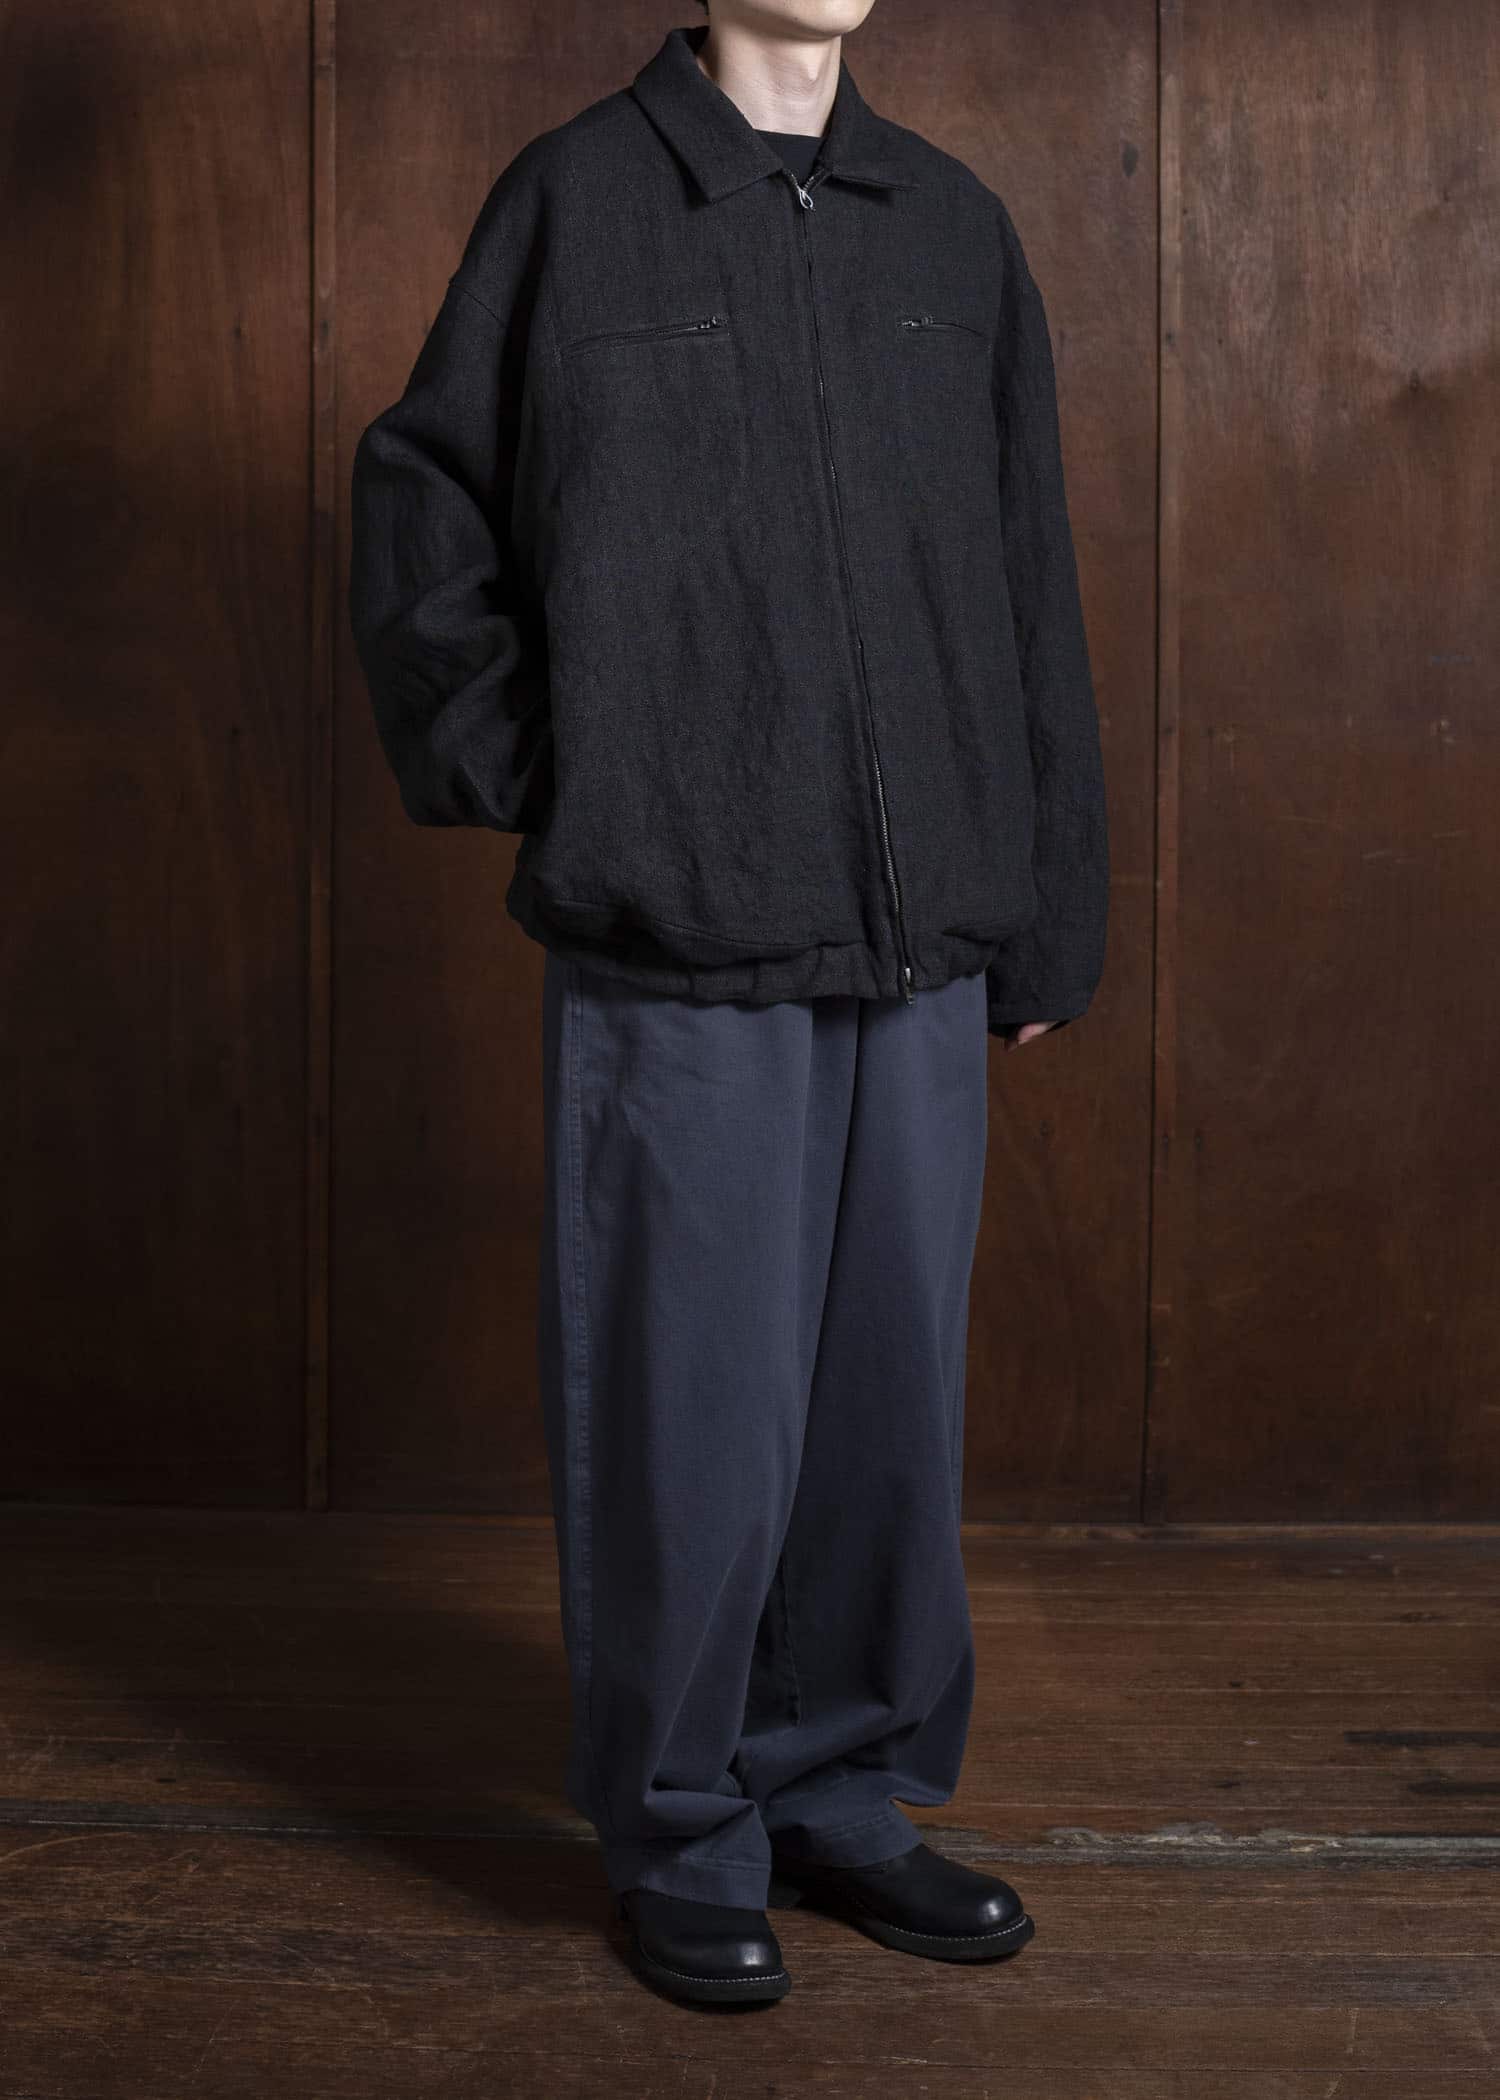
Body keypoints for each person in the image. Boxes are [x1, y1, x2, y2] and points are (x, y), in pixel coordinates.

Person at [349, 0, 1108, 2009]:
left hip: (924, 943)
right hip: (679, 933)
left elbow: (1027, 572)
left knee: (884, 1415)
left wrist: (1048, 908)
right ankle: (682, 1823)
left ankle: (842, 1794)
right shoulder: (576, 203)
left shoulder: (952, 226)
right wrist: (562, 780)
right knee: (688, 1411)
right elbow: (423, 505)